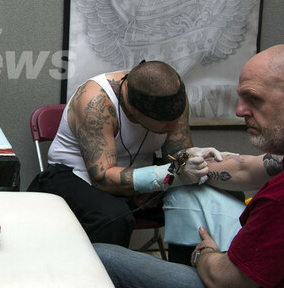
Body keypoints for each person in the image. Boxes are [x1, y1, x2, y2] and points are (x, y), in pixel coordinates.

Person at [95, 44, 284, 288]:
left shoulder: (278, 199)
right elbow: (245, 169)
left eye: (254, 98)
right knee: (185, 194)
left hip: (225, 276)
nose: (239, 110)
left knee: (101, 256)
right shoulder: (95, 99)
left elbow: (223, 279)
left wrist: (204, 253)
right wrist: (185, 167)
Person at [28, 60, 210, 246]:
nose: (174, 126)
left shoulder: (171, 96)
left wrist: (194, 160)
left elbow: (176, 155)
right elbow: (102, 178)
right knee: (113, 218)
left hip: (139, 173)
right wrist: (160, 179)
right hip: (77, 174)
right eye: (165, 123)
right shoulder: (96, 101)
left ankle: (192, 263)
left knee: (197, 199)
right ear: (133, 110)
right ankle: (104, 265)